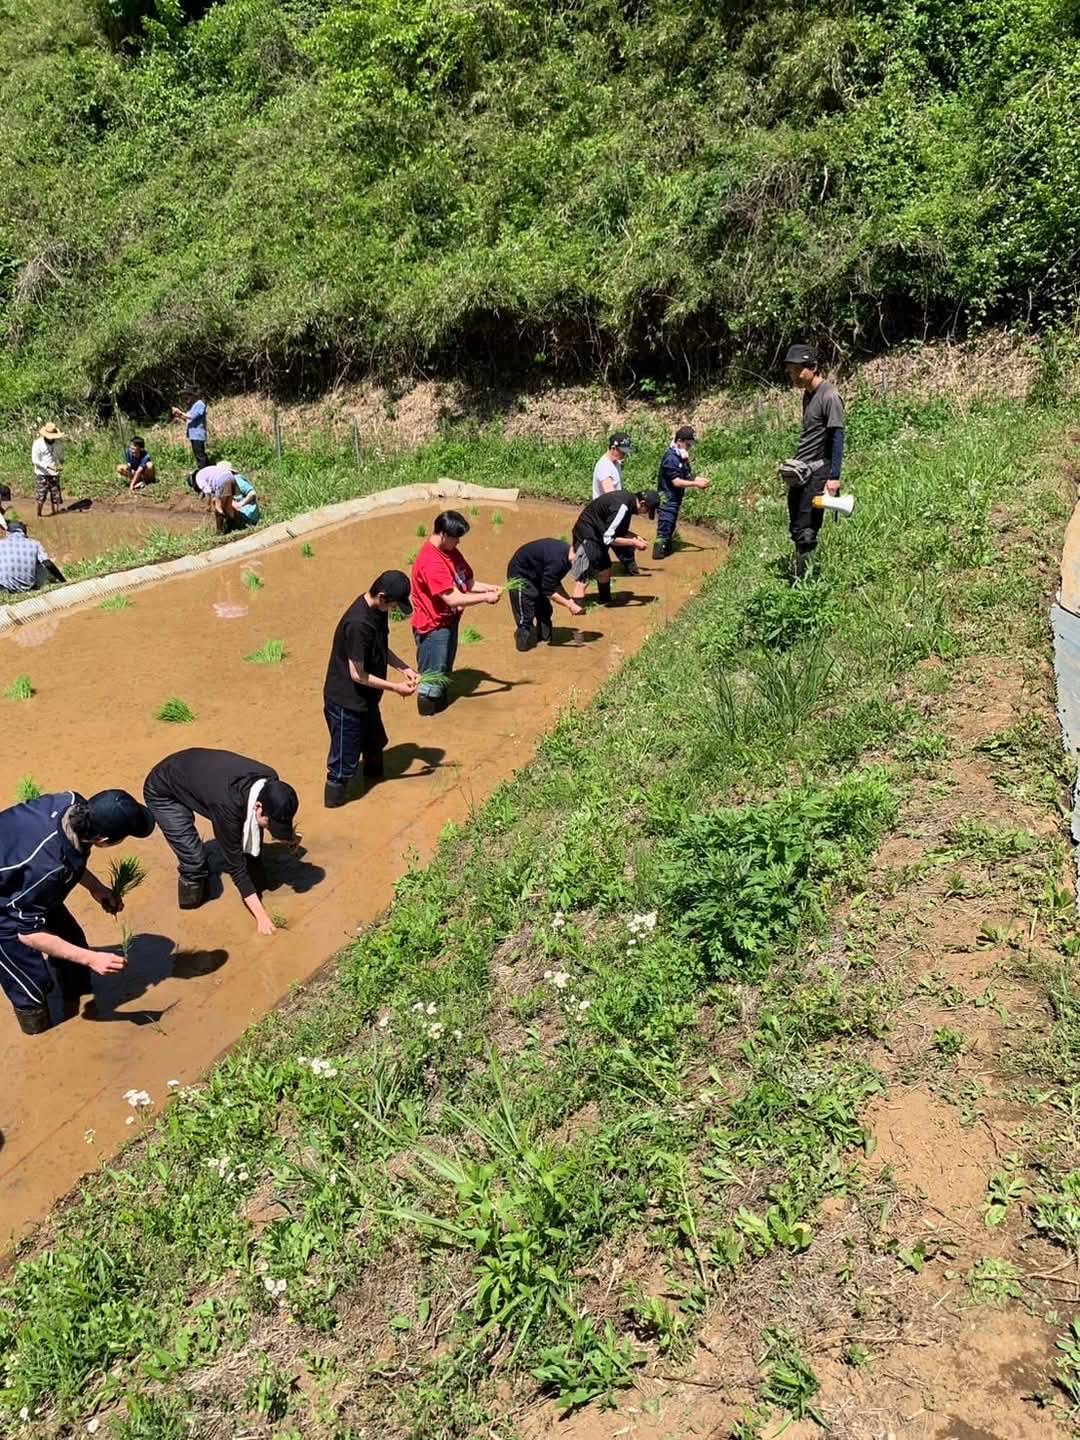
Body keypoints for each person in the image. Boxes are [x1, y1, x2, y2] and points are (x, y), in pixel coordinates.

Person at [0, 787, 155, 1035]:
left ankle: (74, 995)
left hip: (25, 881)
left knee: (72, 942)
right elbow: (28, 935)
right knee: (30, 982)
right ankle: (40, 1033)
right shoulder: (46, 870)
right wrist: (92, 958)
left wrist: (96, 888)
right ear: (103, 841)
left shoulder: (73, 803)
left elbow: (67, 853)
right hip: (9, 898)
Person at [143, 749, 300, 933]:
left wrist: (289, 837)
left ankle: (257, 880)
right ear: (258, 807)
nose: (269, 828)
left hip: (195, 772)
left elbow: (265, 820)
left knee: (253, 859)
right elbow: (236, 868)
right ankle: (190, 910)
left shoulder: (271, 781)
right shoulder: (227, 806)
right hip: (163, 790)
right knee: (195, 861)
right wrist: (262, 917)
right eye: (270, 823)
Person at [323, 571, 420, 808]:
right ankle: (334, 806)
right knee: (343, 765)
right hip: (346, 702)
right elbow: (358, 674)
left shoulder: (378, 611)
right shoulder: (358, 624)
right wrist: (396, 688)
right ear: (382, 596)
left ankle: (377, 793)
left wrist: (403, 668)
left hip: (366, 699)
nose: (395, 609)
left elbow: (380, 648)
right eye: (395, 604)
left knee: (375, 745)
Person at [410, 510, 502, 716]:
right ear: (443, 534)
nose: (458, 542)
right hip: (433, 627)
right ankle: (428, 718)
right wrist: (485, 598)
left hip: (448, 621)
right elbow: (452, 598)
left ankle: (440, 711)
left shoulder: (450, 551)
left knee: (443, 671)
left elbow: (466, 582)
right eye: (456, 538)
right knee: (432, 681)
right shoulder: (431, 560)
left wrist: (489, 588)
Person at [782, 343, 845, 579]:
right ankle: (800, 575)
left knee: (808, 528)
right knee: (796, 525)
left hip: (818, 473)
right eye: (790, 370)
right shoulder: (808, 396)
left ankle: (807, 581)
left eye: (798, 370)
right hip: (802, 471)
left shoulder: (829, 396)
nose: (794, 375)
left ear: (813, 367)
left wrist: (834, 477)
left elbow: (837, 437)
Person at [569, 489, 660, 603]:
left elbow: (617, 530)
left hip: (598, 534)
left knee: (604, 570)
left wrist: (635, 536)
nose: (645, 514)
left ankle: (605, 601)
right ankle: (576, 610)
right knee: (582, 579)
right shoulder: (622, 508)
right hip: (586, 535)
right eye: (646, 510)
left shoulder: (628, 500)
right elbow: (609, 539)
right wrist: (633, 543)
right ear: (642, 503)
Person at [506, 538, 584, 651]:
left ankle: (545, 642)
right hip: (520, 573)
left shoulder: (568, 560)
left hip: (538, 573)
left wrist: (569, 599)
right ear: (574, 552)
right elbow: (549, 590)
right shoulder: (558, 561)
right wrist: (569, 605)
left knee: (545, 610)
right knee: (525, 616)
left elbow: (553, 583)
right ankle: (523, 652)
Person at [653, 425, 710, 560]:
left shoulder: (682, 457)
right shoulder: (671, 458)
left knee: (670, 528)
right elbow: (676, 482)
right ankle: (658, 556)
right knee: (664, 530)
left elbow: (687, 476)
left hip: (675, 499)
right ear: (679, 440)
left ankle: (666, 552)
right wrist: (696, 484)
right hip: (667, 499)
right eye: (688, 444)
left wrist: (701, 480)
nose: (689, 447)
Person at [591, 434, 640, 575]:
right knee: (602, 548)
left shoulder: (616, 463)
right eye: (622, 451)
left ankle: (631, 570)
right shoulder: (604, 467)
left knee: (622, 547)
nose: (624, 454)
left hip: (614, 512)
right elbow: (610, 496)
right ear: (613, 448)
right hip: (606, 514)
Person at [0, 522, 65, 592]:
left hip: (3, 589)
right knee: (41, 565)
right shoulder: (35, 543)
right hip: (26, 589)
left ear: (7, 533)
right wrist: (63, 580)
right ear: (25, 533)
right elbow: (48, 563)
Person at [194, 462, 240, 532]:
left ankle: (220, 531)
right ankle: (233, 528)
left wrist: (208, 505)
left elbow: (208, 491)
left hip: (222, 480)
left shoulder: (198, 477)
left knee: (218, 507)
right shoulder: (205, 471)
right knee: (228, 507)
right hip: (231, 477)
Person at [31, 423, 65, 517]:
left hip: (54, 473)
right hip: (41, 473)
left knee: (56, 496)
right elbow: (35, 460)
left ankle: (55, 514)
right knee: (41, 496)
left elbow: (61, 457)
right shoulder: (38, 443)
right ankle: (39, 514)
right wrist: (48, 466)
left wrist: (61, 464)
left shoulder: (59, 444)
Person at [172, 392, 209, 470]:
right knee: (198, 454)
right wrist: (178, 415)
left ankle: (204, 471)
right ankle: (206, 469)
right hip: (193, 435)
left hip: (198, 434)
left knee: (200, 455)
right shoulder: (192, 406)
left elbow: (192, 416)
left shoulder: (200, 404)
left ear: (193, 395)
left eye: (188, 395)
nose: (186, 397)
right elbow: (187, 418)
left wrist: (180, 412)